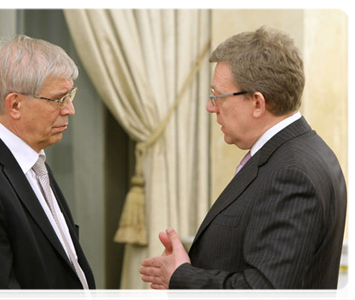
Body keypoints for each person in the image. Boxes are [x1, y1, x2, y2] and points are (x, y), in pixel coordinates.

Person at [140, 26, 347, 300]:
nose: (210, 107)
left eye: (217, 96)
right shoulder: (298, 152)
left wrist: (181, 277)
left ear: (258, 103)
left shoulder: (291, 173)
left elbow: (264, 293)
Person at [0, 35, 96, 300]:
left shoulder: (34, 162)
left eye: (70, 95)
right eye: (59, 99)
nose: (70, 109)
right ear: (15, 105)